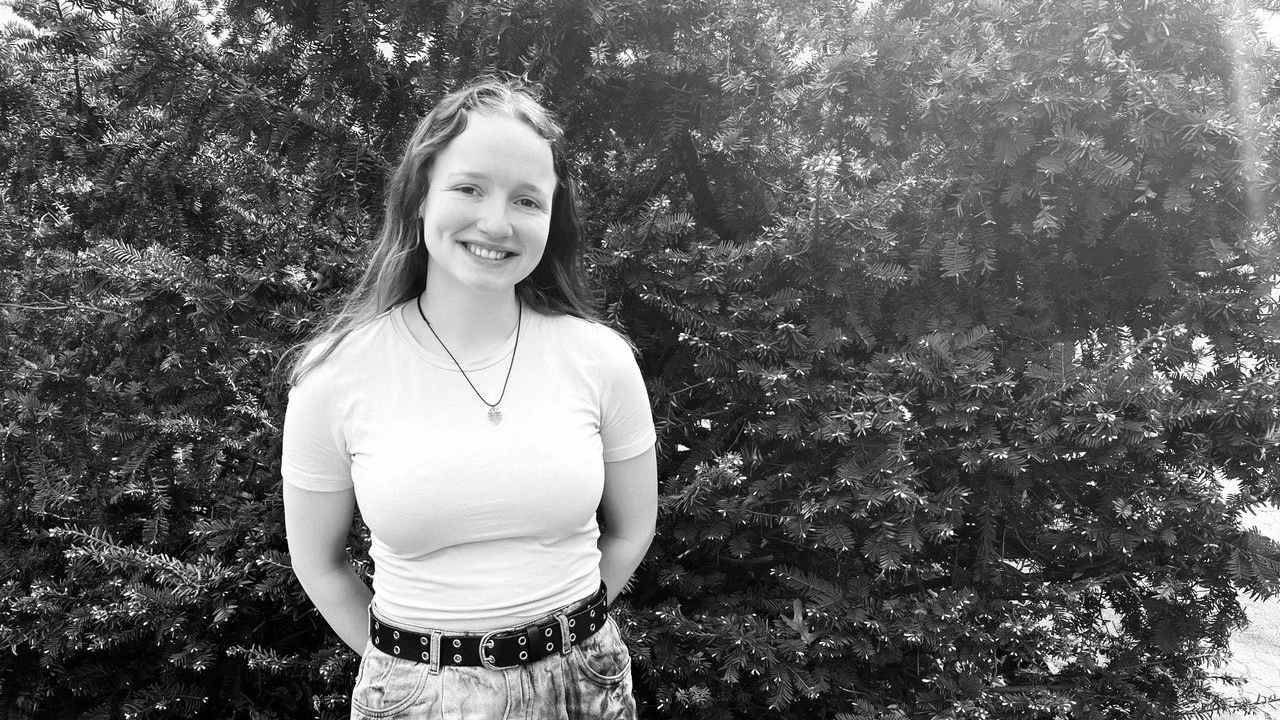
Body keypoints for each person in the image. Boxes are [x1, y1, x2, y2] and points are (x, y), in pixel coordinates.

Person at [279, 78, 658, 719]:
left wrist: (565, 642)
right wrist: (415, 674)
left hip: (584, 685)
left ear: (552, 219)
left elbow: (633, 528)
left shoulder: (600, 357)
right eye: (469, 188)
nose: (496, 222)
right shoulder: (335, 376)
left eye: (527, 200)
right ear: (420, 196)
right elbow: (318, 564)